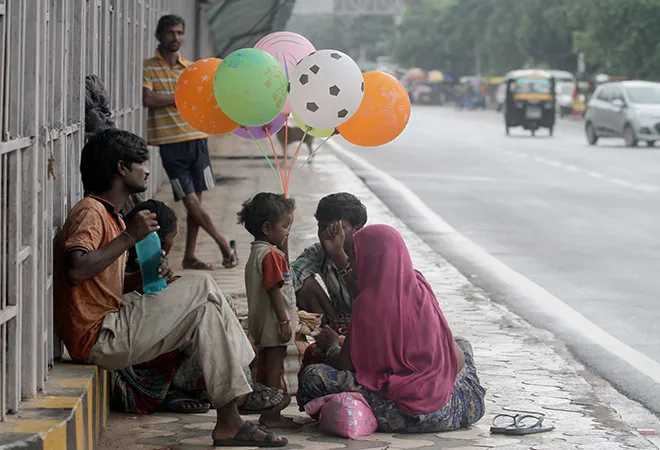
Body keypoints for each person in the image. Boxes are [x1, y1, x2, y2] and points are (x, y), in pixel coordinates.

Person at [54, 129, 287, 447]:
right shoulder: (90, 212)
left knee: (205, 310)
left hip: (113, 323)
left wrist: (145, 279)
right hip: (98, 336)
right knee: (203, 284)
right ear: (122, 168)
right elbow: (76, 270)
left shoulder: (112, 217)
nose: (147, 170)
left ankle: (229, 422)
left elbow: (103, 282)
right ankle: (246, 381)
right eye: (141, 163)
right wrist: (129, 239)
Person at [297, 224, 486, 433]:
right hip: (459, 407)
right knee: (461, 344)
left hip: (405, 413)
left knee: (313, 376)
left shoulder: (367, 304)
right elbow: (455, 358)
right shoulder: (419, 283)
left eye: (353, 254)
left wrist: (332, 346)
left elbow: (345, 363)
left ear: (372, 258)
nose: (350, 261)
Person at [143, 14, 236, 270]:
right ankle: (222, 242)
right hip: (171, 144)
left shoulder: (191, 68)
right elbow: (148, 99)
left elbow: (206, 99)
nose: (176, 38)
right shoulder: (149, 67)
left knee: (198, 202)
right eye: (171, 33)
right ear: (160, 35)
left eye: (180, 33)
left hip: (198, 139)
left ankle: (190, 256)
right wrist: (181, 97)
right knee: (190, 201)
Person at [238, 193, 299, 429]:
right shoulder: (271, 256)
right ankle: (272, 415)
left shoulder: (258, 252)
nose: (287, 232)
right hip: (275, 323)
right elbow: (274, 290)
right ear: (266, 227)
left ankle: (267, 409)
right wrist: (284, 322)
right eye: (284, 226)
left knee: (267, 365)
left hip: (261, 321)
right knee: (275, 367)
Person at [291, 193, 367, 334]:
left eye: (338, 229)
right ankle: (332, 331)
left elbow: (369, 300)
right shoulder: (319, 251)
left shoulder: (371, 253)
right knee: (303, 284)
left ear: (357, 229)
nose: (329, 235)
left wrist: (339, 255)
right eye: (323, 227)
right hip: (338, 320)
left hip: (370, 321)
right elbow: (289, 277)